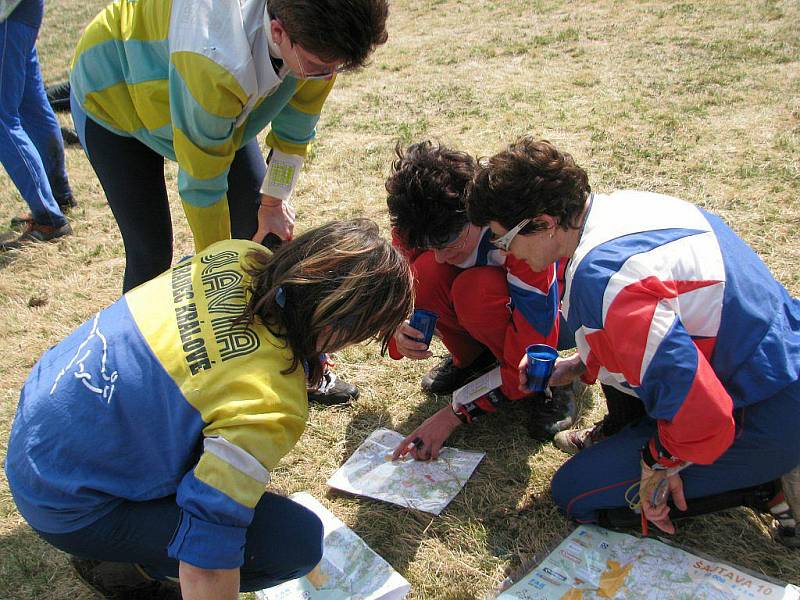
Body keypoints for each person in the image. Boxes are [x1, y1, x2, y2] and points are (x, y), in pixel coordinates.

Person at [5, 219, 414, 599]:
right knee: (293, 543)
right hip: (64, 499)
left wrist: (309, 349)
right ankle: (127, 570)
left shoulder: (236, 253)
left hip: (41, 418)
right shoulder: (269, 402)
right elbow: (208, 554)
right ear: (337, 329)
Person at [467, 136, 800, 542]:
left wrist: (659, 462)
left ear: (544, 223)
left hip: (762, 407)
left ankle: (759, 482)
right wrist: (575, 366)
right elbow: (654, 331)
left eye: (504, 240)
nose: (504, 254)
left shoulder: (602, 280)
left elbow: (704, 413)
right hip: (771, 359)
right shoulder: (617, 208)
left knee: (575, 494)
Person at [69, 0, 389, 403]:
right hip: (116, 96)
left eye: (336, 67)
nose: (326, 76)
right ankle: (137, 383)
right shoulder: (215, 57)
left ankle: (301, 364)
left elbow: (295, 132)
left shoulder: (318, 41)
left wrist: (272, 203)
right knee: (150, 252)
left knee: (264, 237)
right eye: (317, 65)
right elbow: (203, 185)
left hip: (213, 99)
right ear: (278, 32)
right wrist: (217, 276)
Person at [385, 141, 582, 461]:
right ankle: (475, 360)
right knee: (425, 274)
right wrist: (395, 327)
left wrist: (454, 413)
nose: (439, 254)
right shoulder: (419, 223)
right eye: (426, 242)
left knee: (474, 291)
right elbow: (392, 286)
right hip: (497, 304)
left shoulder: (521, 240)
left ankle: (554, 384)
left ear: (474, 211)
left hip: (555, 315)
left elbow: (535, 344)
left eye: (448, 241)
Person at [0, 0, 76, 250]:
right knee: (30, 104)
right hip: (22, 9)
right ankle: (57, 195)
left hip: (6, 14)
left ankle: (49, 218)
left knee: (3, 118)